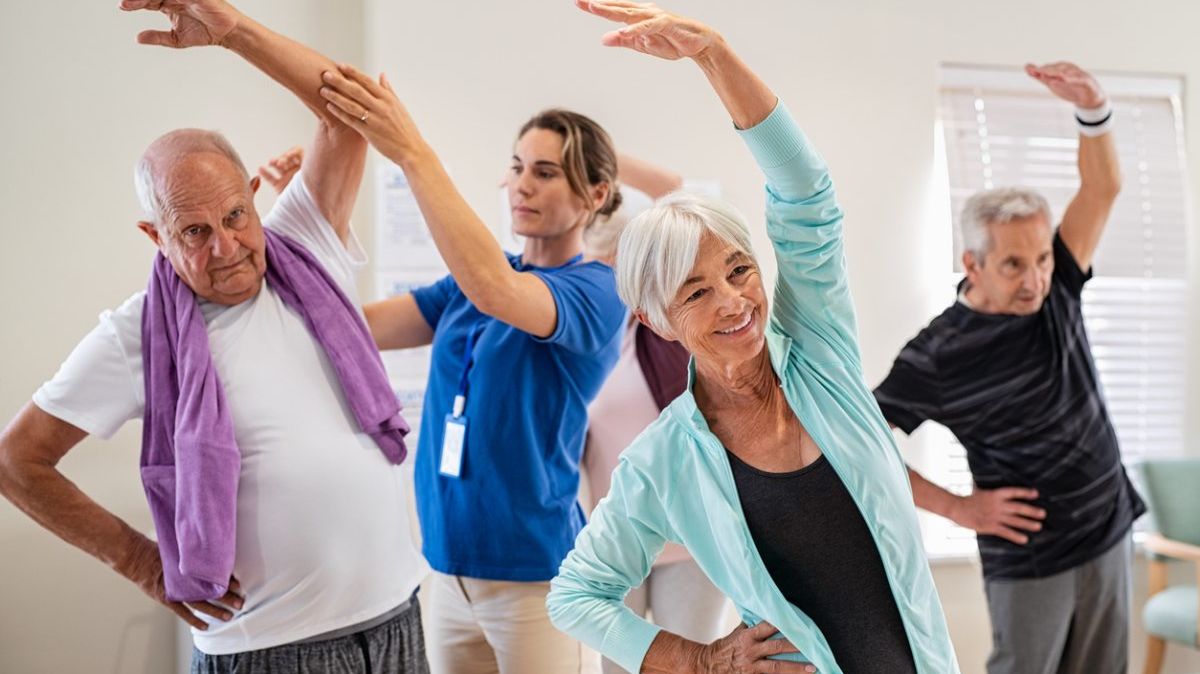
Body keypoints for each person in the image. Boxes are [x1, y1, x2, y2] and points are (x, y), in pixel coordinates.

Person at [0, 1, 429, 672]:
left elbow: (350, 107)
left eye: (236, 215)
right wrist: (143, 564)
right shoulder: (135, 334)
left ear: (256, 196)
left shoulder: (304, 246)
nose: (227, 246)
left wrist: (238, 34)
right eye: (195, 231)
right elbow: (16, 462)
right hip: (270, 653)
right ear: (156, 236)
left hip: (396, 623)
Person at [546, 3, 959, 673]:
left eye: (738, 270)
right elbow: (576, 596)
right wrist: (702, 660)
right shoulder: (664, 461)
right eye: (696, 291)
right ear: (656, 320)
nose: (735, 301)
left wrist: (714, 55)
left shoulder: (820, 357)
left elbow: (808, 196)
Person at [318, 35, 627, 674]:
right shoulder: (468, 284)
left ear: (596, 195)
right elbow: (351, 328)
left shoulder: (596, 291)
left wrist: (411, 152)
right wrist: (302, 235)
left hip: (536, 580)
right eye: (517, 167)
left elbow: (498, 289)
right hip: (447, 569)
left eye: (545, 173)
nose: (522, 185)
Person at [873, 62, 1141, 674]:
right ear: (972, 261)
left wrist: (1093, 108)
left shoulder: (1059, 289)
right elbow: (862, 447)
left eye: (1042, 258)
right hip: (1031, 558)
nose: (1036, 278)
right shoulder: (938, 353)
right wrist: (960, 508)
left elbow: (1101, 190)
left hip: (1107, 524)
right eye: (1015, 265)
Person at [579, 158, 733, 674]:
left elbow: (676, 191)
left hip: (692, 538)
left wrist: (600, 157)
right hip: (617, 538)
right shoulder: (587, 337)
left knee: (690, 665)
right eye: (593, 263)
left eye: (610, 262)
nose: (602, 274)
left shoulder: (671, 330)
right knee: (618, 669)